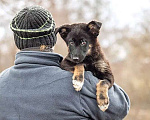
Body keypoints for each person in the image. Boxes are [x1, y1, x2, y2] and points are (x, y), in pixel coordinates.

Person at [0, 6, 130, 120]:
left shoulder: (2, 81)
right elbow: (121, 107)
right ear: (52, 39)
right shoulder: (83, 83)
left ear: (17, 41)